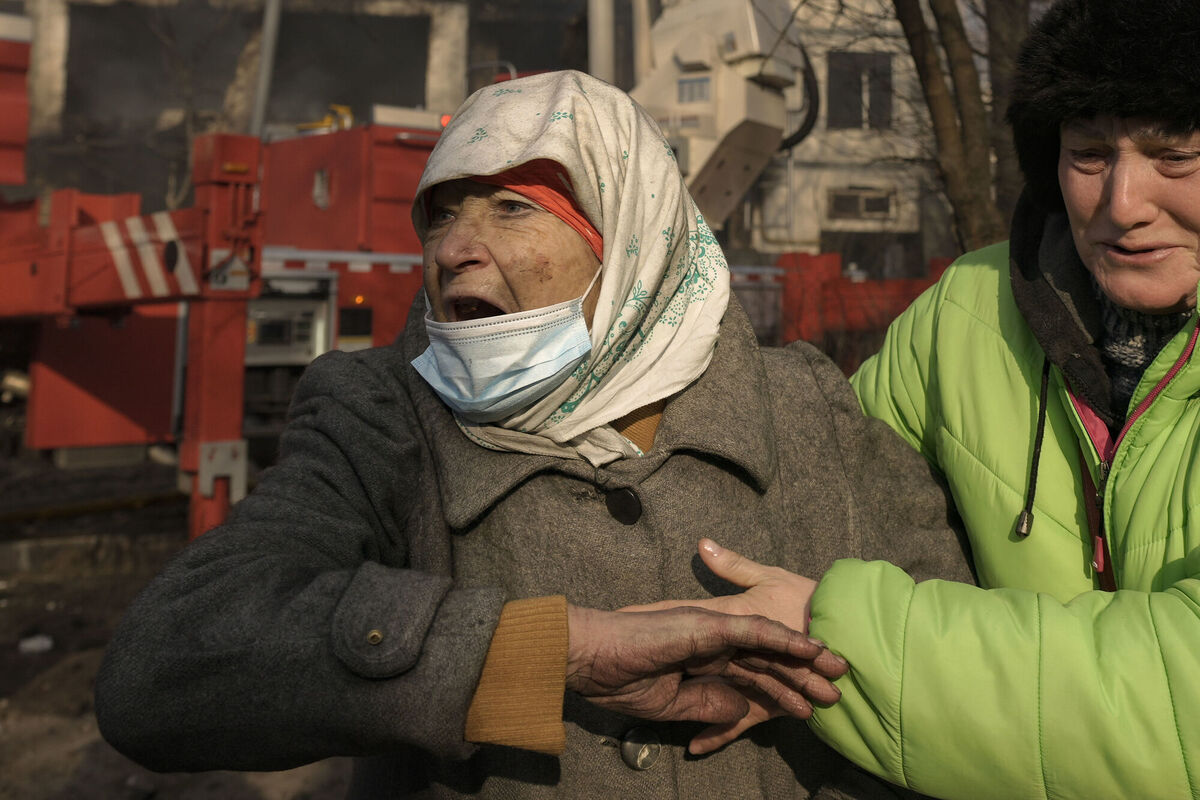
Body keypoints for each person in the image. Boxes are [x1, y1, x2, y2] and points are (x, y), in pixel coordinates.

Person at [94, 70, 973, 798]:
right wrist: (554, 653)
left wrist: (837, 671)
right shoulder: (382, 416)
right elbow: (162, 670)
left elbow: (956, 654)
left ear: (630, 234)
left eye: (512, 208)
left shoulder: (807, 406)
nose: (454, 250)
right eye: (441, 213)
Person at [654, 1, 1200, 798]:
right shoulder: (964, 315)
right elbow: (812, 503)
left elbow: (1180, 703)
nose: (1121, 203)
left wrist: (833, 639)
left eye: (1174, 156)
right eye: (1087, 154)